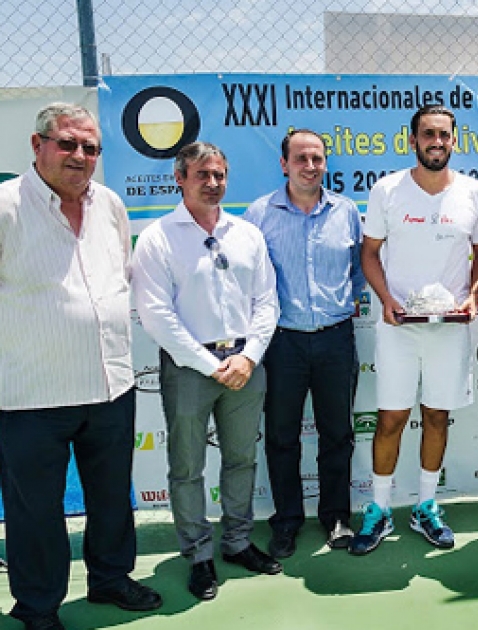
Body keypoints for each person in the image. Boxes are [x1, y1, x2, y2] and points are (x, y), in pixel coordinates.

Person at [0, 103, 162, 630]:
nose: (79, 156)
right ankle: (38, 606)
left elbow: (114, 275)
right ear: (37, 145)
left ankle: (111, 579)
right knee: (35, 512)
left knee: (113, 497)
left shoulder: (111, 205)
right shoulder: (5, 206)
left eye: (90, 147)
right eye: (67, 143)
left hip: (110, 384)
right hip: (30, 394)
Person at [132, 141, 281, 601]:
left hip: (245, 365)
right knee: (187, 467)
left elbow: (266, 301)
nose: (213, 183)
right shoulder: (159, 237)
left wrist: (249, 356)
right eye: (203, 175)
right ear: (180, 178)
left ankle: (236, 542)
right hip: (190, 368)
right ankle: (197, 555)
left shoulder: (247, 234)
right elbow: (156, 315)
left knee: (241, 459)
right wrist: (210, 364)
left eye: (219, 175)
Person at [349, 105, 478, 556]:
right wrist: (386, 299)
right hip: (398, 327)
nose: (436, 142)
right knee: (390, 418)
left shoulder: (473, 192)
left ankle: (426, 505)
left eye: (444, 135)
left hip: (448, 329)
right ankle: (379, 509)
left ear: (454, 140)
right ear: (412, 140)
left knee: (436, 416)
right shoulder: (387, 189)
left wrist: (474, 295)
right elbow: (369, 253)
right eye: (427, 134)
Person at [244, 128, 365, 556]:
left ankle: (336, 519)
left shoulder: (346, 211)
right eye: (301, 159)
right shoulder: (259, 214)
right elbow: (251, 279)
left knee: (337, 434)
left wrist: (340, 305)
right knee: (281, 436)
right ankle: (288, 521)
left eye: (317, 158)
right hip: (282, 342)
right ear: (284, 165)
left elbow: (359, 269)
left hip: (335, 339)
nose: (310, 166)